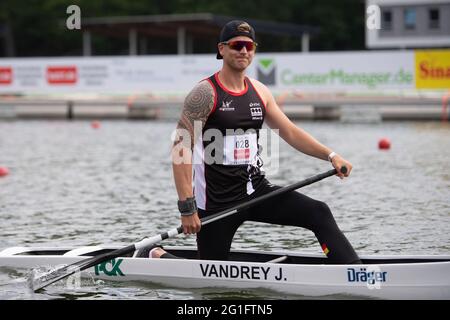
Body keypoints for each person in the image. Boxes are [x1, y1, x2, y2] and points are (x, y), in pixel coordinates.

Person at [162, 20, 361, 264]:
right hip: (216, 204)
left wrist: (331, 156)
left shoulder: (260, 91)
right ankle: (159, 255)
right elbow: (180, 149)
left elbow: (290, 132)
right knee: (212, 276)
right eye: (237, 45)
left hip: (257, 193)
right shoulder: (205, 93)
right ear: (221, 49)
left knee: (319, 212)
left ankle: (353, 271)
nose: (244, 51)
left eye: (249, 46)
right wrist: (187, 207)